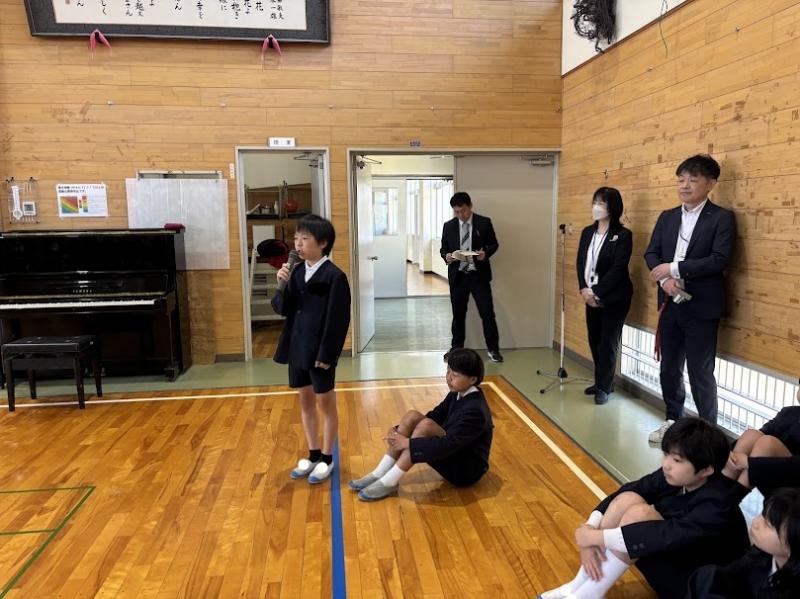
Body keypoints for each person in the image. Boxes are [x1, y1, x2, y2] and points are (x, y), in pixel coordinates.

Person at [538, 417, 749, 599]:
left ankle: (588, 593)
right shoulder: (676, 475)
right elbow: (629, 491)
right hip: (677, 557)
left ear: (706, 470)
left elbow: (668, 535)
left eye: (676, 459)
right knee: (628, 499)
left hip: (697, 585)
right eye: (666, 454)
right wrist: (590, 527)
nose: (666, 464)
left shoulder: (718, 502)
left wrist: (597, 538)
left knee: (640, 515)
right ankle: (579, 586)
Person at [644, 154, 737, 443]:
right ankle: (673, 421)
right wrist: (664, 280)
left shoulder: (721, 218)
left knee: (700, 372)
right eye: (681, 179)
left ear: (711, 184)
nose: (684, 185)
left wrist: (673, 269)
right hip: (670, 302)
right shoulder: (668, 216)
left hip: (702, 307)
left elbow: (719, 259)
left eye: (693, 180)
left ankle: (708, 434)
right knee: (669, 368)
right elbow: (651, 253)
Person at [348, 348, 493, 501]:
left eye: (455, 375)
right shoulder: (457, 393)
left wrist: (408, 443)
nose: (449, 378)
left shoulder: (475, 411)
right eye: (448, 371)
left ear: (472, 380)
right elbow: (434, 416)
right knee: (412, 416)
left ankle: (390, 482)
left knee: (426, 427)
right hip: (453, 452)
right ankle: (380, 473)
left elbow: (448, 444)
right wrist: (397, 430)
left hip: (464, 470)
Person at [272, 215, 351, 484]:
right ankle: (314, 453)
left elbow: (338, 321)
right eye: (296, 239)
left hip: (319, 353)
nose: (298, 244)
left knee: (325, 404)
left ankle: (327, 458)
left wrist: (327, 355)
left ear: (323, 242)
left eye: (305, 239)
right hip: (297, 349)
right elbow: (280, 309)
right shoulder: (294, 272)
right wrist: (281, 284)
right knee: (305, 403)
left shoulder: (334, 276)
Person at [685, 487, 800, 598]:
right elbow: (729, 576)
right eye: (762, 514)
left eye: (768, 524)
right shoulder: (760, 556)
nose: (756, 522)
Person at [576, 187, 633, 405]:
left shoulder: (623, 235)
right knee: (594, 339)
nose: (596, 207)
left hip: (614, 297)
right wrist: (584, 289)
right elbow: (581, 261)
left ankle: (604, 387)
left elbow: (618, 268)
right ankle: (602, 380)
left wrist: (597, 292)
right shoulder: (587, 232)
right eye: (594, 202)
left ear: (613, 207)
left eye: (601, 203)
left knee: (608, 342)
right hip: (589, 295)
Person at [440, 192, 503, 363]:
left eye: (463, 211)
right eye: (457, 212)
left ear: (470, 206)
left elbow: (494, 244)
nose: (461, 215)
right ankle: (456, 348)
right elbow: (444, 248)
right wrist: (447, 256)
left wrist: (485, 254)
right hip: (458, 277)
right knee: (458, 315)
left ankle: (493, 349)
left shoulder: (484, 222)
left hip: (478, 277)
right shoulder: (449, 226)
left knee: (487, 314)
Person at [723, 381, 800, 496]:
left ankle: (731, 498)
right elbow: (758, 435)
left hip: (793, 479)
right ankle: (719, 490)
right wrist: (729, 453)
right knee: (752, 434)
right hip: (768, 471)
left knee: (767, 443)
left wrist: (750, 463)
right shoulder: (789, 412)